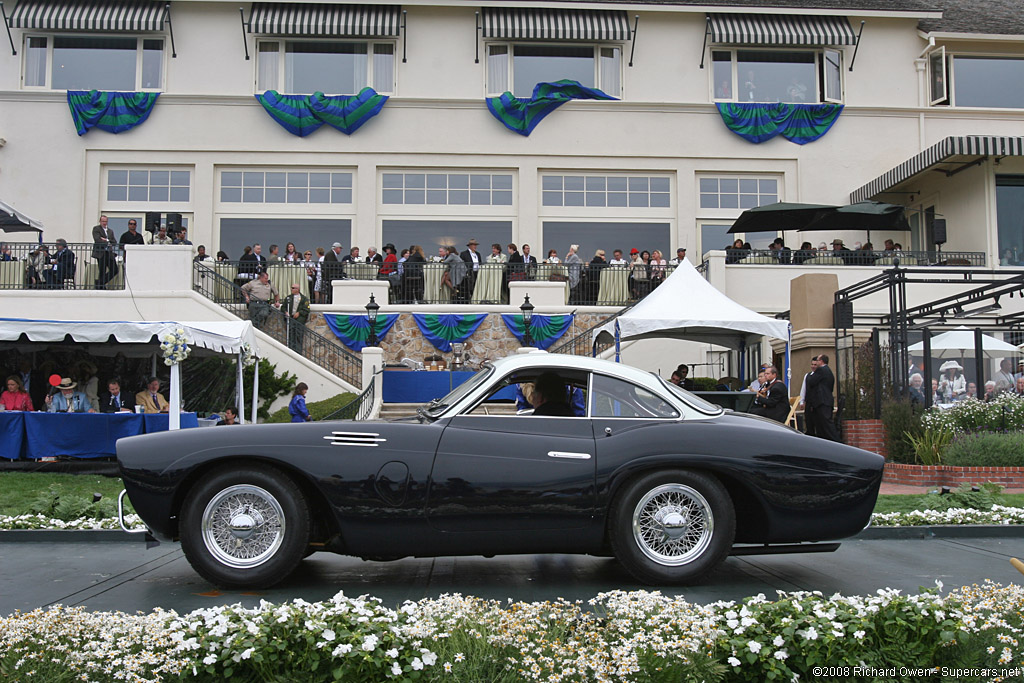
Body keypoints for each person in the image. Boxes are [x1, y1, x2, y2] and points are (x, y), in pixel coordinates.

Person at [805, 354, 839, 441]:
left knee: (825, 423)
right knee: (821, 423)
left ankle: (836, 440)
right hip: (826, 400)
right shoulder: (828, 371)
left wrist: (810, 376)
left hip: (822, 401)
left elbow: (812, 382)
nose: (816, 363)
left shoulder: (821, 370)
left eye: (817, 360)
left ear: (821, 361)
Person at [91, 215, 119, 288]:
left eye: (106, 221)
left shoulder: (110, 231)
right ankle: (101, 286)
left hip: (109, 253)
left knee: (115, 270)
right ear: (100, 221)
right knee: (102, 270)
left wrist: (106, 240)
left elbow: (114, 242)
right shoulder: (96, 229)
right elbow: (97, 240)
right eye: (103, 221)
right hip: (100, 252)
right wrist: (107, 241)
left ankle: (99, 283)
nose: (104, 223)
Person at [283, 283, 310, 352]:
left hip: (299, 320)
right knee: (291, 335)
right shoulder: (288, 298)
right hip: (291, 319)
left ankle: (298, 352)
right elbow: (283, 307)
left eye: (293, 288)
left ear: (297, 289)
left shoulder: (304, 299)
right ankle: (291, 351)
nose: (291, 289)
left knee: (298, 336)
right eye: (291, 288)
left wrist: (299, 313)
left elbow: (306, 309)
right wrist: (285, 312)